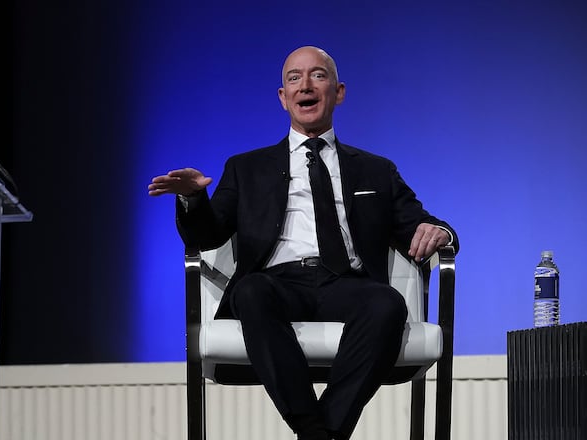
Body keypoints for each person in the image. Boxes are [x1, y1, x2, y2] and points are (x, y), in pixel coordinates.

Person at [147, 45, 459, 440]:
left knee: (387, 303)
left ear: (339, 92)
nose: (305, 86)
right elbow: (206, 236)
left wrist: (442, 233)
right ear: (283, 97)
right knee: (252, 290)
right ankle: (319, 433)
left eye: (318, 75)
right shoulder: (246, 168)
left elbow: (420, 222)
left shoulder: (376, 170)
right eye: (294, 78)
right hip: (276, 284)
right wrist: (193, 198)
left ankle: (314, 434)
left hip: (346, 284)